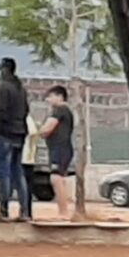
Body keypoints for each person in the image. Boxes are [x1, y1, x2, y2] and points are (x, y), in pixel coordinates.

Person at [0, 57, 30, 222]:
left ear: (4, 69)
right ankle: (24, 211)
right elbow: (26, 110)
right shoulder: (20, 88)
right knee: (18, 173)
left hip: (4, 134)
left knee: (3, 173)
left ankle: (4, 210)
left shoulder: (2, 88)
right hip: (19, 133)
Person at [41, 85, 76, 220]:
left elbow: (47, 128)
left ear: (60, 96)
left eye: (50, 96)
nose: (48, 100)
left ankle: (63, 213)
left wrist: (37, 133)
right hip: (60, 148)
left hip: (60, 149)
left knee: (56, 178)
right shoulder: (64, 111)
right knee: (59, 178)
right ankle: (63, 211)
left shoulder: (60, 110)